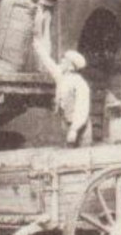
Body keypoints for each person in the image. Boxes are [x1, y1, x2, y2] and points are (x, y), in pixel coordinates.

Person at [31, 10, 91, 147]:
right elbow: (48, 62)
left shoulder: (80, 84)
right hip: (67, 123)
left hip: (80, 127)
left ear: (70, 65)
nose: (61, 62)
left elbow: (82, 108)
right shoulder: (62, 76)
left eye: (64, 60)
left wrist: (74, 130)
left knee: (81, 159)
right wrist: (36, 45)